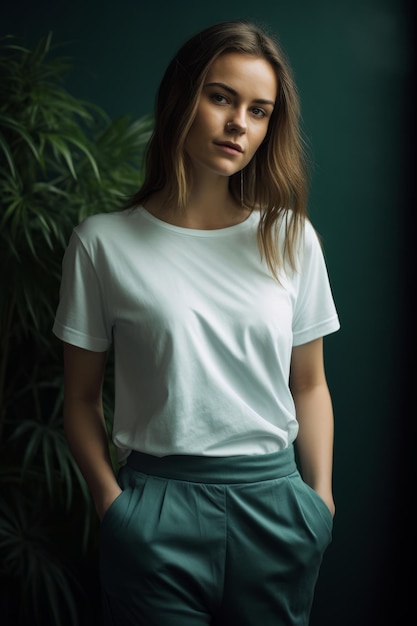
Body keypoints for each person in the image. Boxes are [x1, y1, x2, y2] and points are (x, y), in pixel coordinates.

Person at [53, 19, 340, 626]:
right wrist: (114, 506)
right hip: (154, 509)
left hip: (277, 507)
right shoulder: (102, 243)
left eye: (260, 111)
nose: (240, 122)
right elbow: (79, 399)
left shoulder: (291, 238)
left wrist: (321, 503)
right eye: (221, 97)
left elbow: (309, 383)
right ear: (181, 99)